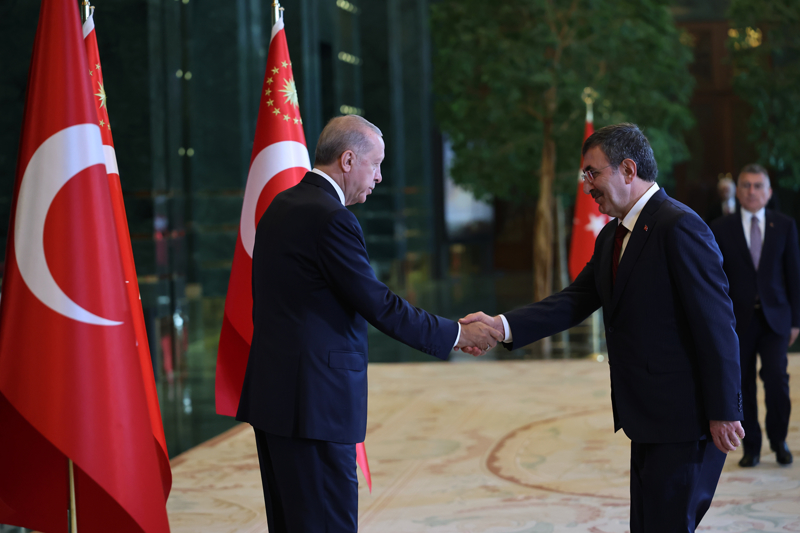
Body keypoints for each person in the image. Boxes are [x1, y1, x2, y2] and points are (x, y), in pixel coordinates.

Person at [462, 123, 744, 533]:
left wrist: (725, 411)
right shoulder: (612, 235)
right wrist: (500, 326)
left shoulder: (679, 226)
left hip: (686, 420)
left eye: (592, 173)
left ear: (628, 170)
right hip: (646, 417)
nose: (587, 186)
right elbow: (573, 301)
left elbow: (717, 325)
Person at [236, 115, 502, 533]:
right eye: (375, 164)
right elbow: (381, 305)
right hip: (315, 407)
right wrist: (457, 333)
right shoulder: (331, 218)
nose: (378, 177)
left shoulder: (279, 206)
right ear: (347, 160)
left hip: (276, 402)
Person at [710, 164, 799, 467]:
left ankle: (779, 440)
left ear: (769, 192)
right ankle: (752, 447)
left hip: (776, 320)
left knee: (777, 381)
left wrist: (796, 321)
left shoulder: (784, 225)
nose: (752, 191)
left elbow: (794, 276)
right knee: (741, 385)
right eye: (746, 185)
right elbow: (715, 278)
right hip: (736, 322)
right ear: (737, 191)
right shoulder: (720, 228)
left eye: (758, 185)